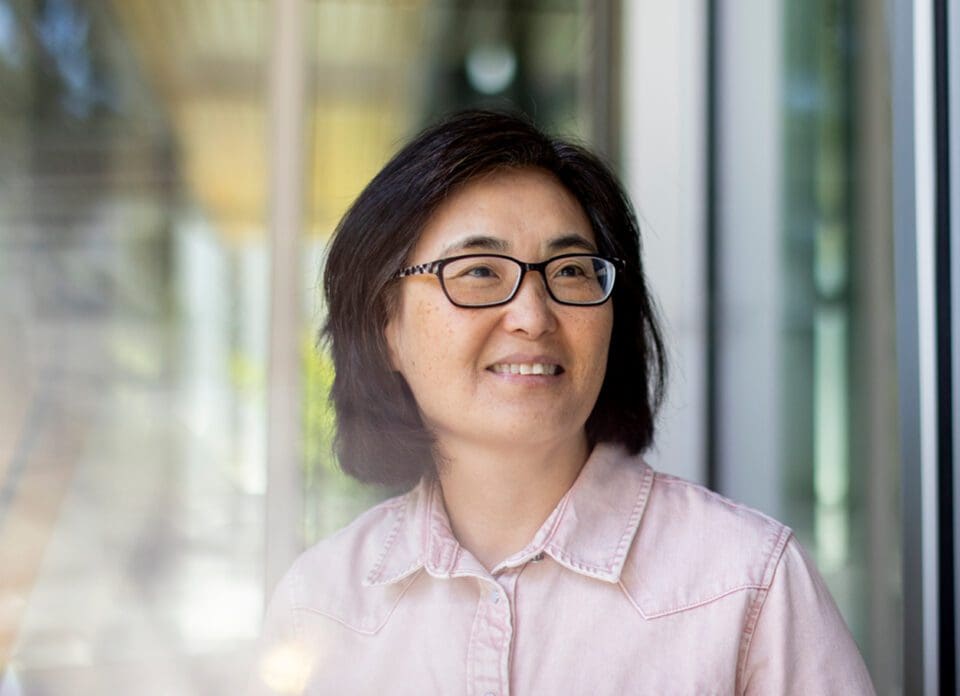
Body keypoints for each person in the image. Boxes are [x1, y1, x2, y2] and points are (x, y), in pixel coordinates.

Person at [251, 110, 875, 695]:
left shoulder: (747, 585)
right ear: (386, 325)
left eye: (571, 271)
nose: (532, 315)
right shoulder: (321, 603)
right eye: (478, 272)